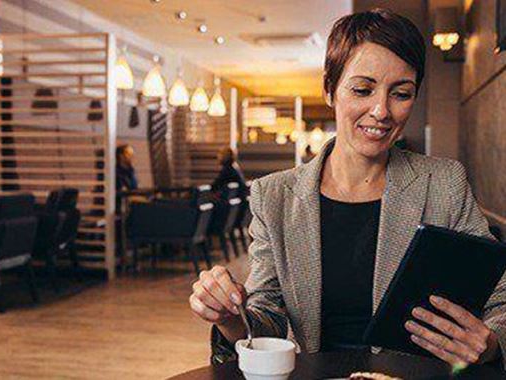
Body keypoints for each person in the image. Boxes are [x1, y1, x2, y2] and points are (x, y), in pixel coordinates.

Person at [189, 8, 506, 368]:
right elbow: (267, 318)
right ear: (330, 89)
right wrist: (230, 315)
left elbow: (502, 296)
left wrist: (493, 342)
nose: (381, 111)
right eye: (362, 89)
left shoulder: (444, 183)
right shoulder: (273, 196)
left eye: (401, 94)